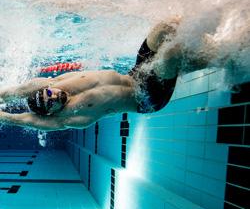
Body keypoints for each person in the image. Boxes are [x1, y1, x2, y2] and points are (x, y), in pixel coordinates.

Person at [0, 16, 214, 131]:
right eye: (50, 103)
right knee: (170, 56)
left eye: (49, 93)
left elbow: (17, 90)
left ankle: (215, 47)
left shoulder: (56, 81)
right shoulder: (66, 118)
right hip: (146, 98)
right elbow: (18, 119)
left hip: (136, 74)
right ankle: (223, 54)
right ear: (50, 113)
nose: (54, 96)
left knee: (167, 26)